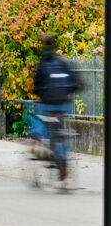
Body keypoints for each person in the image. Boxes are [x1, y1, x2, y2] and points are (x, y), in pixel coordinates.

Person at [31, 33, 80, 178]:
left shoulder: (43, 63)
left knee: (38, 119)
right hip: (64, 105)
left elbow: (37, 86)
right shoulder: (63, 62)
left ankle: (43, 145)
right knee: (59, 127)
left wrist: (39, 93)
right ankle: (61, 156)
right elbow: (76, 82)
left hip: (48, 104)